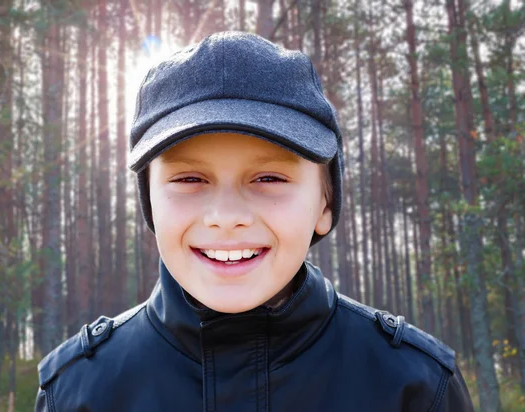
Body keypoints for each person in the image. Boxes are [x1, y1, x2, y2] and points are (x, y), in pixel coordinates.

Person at [35, 31, 474, 411]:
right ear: (150, 204)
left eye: (269, 177)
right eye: (189, 178)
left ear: (325, 204)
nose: (227, 218)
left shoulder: (414, 386)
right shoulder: (78, 391)